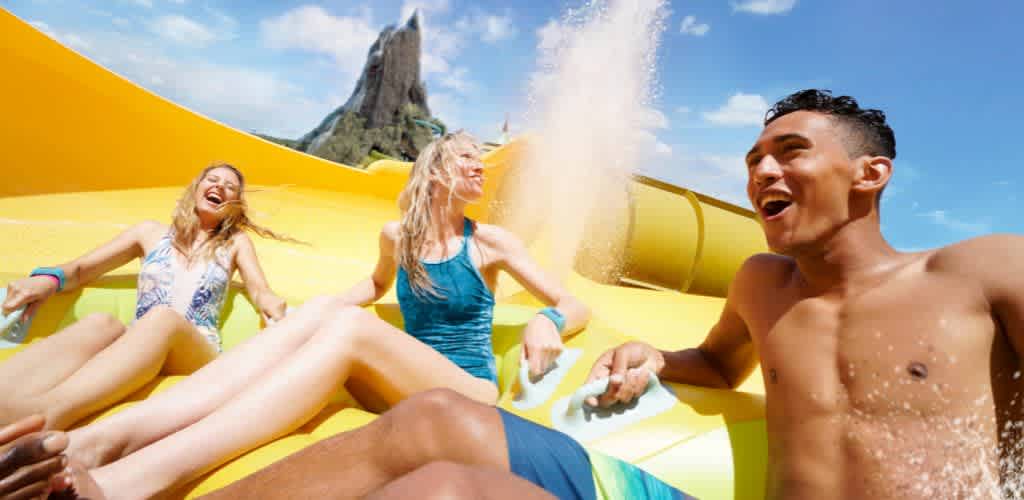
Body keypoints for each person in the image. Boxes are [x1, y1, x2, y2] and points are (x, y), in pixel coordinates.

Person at [196, 89, 1024, 500]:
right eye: (753, 158)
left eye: (791, 151)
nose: (761, 172)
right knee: (436, 435)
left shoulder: (981, 274)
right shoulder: (763, 283)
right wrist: (649, 355)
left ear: (870, 174)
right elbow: (714, 360)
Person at [55, 131, 590, 500]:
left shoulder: (490, 242)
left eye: (482, 159)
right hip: (397, 390)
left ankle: (134, 480)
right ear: (435, 171)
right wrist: (309, 317)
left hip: (466, 391)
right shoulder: (396, 236)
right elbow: (375, 286)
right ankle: (98, 442)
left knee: (349, 326)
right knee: (327, 311)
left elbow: (573, 302)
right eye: (467, 158)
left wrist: (549, 320)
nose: (480, 167)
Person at [0, 163, 290, 431]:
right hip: (143, 340)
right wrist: (48, 279)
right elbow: (81, 269)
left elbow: (259, 290)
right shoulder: (149, 233)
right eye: (212, 179)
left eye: (229, 187)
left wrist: (272, 305)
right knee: (102, 323)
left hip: (197, 353)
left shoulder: (236, 243)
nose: (219, 187)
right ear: (196, 187)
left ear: (234, 207)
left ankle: (49, 413)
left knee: (163, 319)